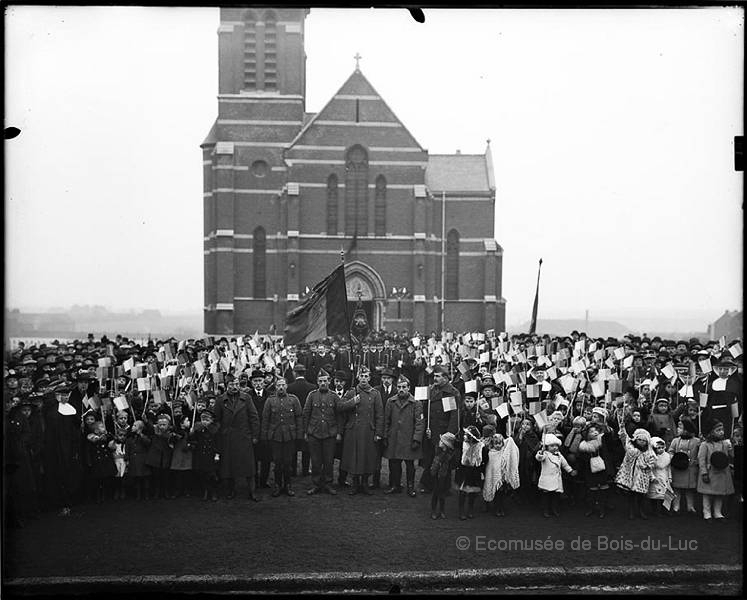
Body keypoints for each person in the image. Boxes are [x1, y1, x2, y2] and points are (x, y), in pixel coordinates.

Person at [214, 374, 261, 502]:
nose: (234, 387)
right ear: (226, 386)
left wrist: (255, 436)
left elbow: (254, 418)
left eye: (236, 384)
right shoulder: (220, 400)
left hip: (244, 437)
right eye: (231, 385)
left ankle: (252, 491)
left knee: (249, 467)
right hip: (227, 438)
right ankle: (231, 491)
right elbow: (216, 420)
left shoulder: (246, 398)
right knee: (229, 467)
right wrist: (221, 432)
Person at [339, 366, 384, 495]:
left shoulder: (375, 394)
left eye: (366, 376)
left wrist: (378, 433)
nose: (364, 379)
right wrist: (353, 401)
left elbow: (379, 414)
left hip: (368, 430)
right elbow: (340, 406)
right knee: (354, 457)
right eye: (361, 376)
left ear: (369, 378)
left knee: (367, 457)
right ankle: (355, 483)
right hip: (353, 430)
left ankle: (364, 483)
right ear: (358, 377)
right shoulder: (352, 392)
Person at [419, 366, 460, 493]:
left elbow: (453, 416)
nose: (435, 378)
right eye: (434, 376)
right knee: (430, 457)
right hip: (430, 429)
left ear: (446, 378)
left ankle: (443, 487)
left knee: (443, 459)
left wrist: (449, 434)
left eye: (438, 376)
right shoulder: (431, 390)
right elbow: (423, 409)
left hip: (442, 431)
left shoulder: (450, 393)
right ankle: (428, 484)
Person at [261, 377, 303, 497]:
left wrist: (299, 435)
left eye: (283, 385)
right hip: (275, 437)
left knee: (288, 462)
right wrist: (264, 436)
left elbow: (299, 417)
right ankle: (278, 485)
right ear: (275, 387)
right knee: (278, 462)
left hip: (289, 436)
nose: (280, 387)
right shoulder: (270, 401)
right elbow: (265, 419)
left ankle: (288, 485)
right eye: (278, 385)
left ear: (286, 386)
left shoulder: (293, 400)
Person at [382, 375, 424, 497]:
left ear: (409, 388)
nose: (401, 389)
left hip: (409, 439)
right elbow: (386, 421)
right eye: (399, 387)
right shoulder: (391, 401)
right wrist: (385, 436)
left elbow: (420, 423)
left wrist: (416, 439)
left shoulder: (416, 403)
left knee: (410, 465)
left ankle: (410, 487)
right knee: (394, 464)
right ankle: (395, 485)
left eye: (404, 387)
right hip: (394, 438)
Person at [303, 369, 342, 495]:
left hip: (330, 433)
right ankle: (316, 484)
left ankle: (328, 484)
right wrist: (306, 431)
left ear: (329, 382)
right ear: (317, 382)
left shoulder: (334, 396)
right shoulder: (312, 395)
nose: (323, 383)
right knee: (315, 461)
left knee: (329, 461)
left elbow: (339, 415)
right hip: (314, 433)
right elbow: (306, 413)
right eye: (320, 381)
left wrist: (338, 432)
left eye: (325, 381)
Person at [697, 419, 734, 520]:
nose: (721, 432)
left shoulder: (725, 444)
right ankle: (707, 512)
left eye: (722, 430)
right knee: (707, 493)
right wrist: (704, 473)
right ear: (711, 432)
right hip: (710, 472)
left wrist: (732, 446)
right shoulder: (705, 445)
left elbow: (731, 456)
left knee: (719, 494)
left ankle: (718, 512)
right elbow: (701, 460)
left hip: (722, 472)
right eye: (718, 430)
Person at [616, 427, 656, 519]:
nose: (641, 442)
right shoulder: (631, 449)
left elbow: (652, 462)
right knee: (631, 495)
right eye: (639, 439)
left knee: (641, 495)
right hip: (631, 475)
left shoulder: (649, 452)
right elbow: (624, 438)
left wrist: (648, 466)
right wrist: (622, 428)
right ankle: (632, 511)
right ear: (636, 439)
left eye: (644, 440)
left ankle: (641, 510)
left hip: (642, 477)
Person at [577, 422, 614, 518]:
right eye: (591, 431)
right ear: (586, 434)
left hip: (602, 467)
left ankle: (602, 508)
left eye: (596, 430)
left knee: (603, 488)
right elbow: (581, 460)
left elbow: (610, 441)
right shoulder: (584, 446)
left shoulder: (601, 442)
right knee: (592, 489)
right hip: (589, 469)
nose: (595, 433)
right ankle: (591, 508)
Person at [535, 433, 576, 517]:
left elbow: (565, 464)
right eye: (552, 446)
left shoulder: (559, 455)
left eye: (556, 445)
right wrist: (541, 452)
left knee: (555, 496)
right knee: (546, 496)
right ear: (547, 447)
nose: (555, 447)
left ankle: (554, 509)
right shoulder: (545, 454)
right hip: (547, 479)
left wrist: (570, 470)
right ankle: (546, 510)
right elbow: (539, 458)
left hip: (556, 479)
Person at [287, 364, 316, 478]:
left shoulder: (289, 387)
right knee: (306, 447)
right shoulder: (312, 387)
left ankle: (293, 470)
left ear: (295, 373)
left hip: (293, 420)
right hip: (307, 420)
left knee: (293, 447)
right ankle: (305, 470)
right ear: (304, 373)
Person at [481, 432, 520, 517]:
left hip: (503, 478)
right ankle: (497, 508)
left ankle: (501, 508)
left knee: (502, 494)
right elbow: (490, 466)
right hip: (494, 477)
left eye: (500, 443)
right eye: (496, 443)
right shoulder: (491, 453)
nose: (498, 446)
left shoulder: (505, 452)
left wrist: (510, 439)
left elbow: (512, 450)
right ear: (492, 444)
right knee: (497, 494)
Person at [667, 417, 700, 515]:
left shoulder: (697, 441)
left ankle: (690, 506)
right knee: (677, 489)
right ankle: (676, 506)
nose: (677, 429)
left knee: (690, 490)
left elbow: (701, 453)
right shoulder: (675, 441)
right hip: (678, 467)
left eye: (680, 427)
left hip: (690, 467)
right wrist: (672, 456)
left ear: (687, 429)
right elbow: (671, 450)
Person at [188, 408, 220, 502]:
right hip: (201, 455)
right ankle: (206, 491)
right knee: (203, 474)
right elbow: (194, 440)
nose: (205, 422)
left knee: (212, 475)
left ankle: (214, 492)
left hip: (211, 455)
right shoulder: (198, 429)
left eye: (207, 420)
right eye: (203, 420)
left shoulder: (215, 430)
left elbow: (218, 443)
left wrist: (217, 454)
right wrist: (191, 433)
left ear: (211, 420)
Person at [455, 425, 486, 519]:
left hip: (475, 470)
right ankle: (461, 511)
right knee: (463, 491)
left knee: (472, 490)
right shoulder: (462, 444)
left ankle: (470, 509)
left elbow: (484, 458)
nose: (464, 436)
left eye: (466, 435)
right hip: (464, 470)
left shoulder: (481, 446)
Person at [430, 431, 457, 519]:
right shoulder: (437, 451)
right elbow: (434, 464)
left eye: (442, 441)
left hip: (444, 475)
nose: (439, 442)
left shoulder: (449, 454)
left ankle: (442, 510)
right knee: (435, 493)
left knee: (442, 494)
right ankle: (433, 511)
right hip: (436, 475)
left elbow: (452, 465)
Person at [125, 419, 151, 500]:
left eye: (135, 426)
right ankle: (138, 495)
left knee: (145, 478)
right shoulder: (130, 438)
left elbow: (148, 443)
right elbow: (127, 449)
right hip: (134, 460)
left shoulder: (143, 437)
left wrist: (141, 435)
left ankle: (146, 494)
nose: (132, 427)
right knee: (136, 479)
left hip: (143, 460)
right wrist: (127, 459)